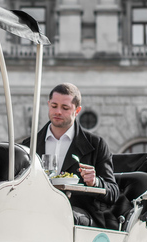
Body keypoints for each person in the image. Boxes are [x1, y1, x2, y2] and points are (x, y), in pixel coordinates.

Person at [21, 83, 118, 227]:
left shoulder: (96, 145)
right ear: (48, 104)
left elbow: (113, 192)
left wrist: (95, 182)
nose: (58, 111)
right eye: (54, 106)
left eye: (65, 108)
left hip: (81, 217)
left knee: (60, 215)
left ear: (77, 110)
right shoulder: (30, 144)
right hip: (38, 212)